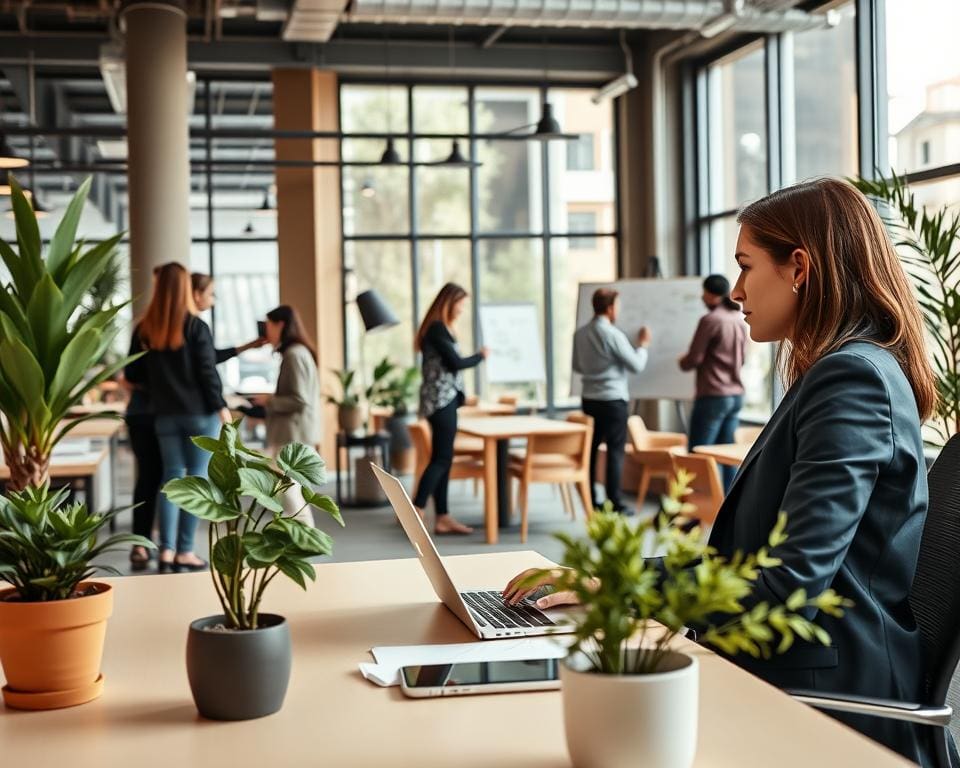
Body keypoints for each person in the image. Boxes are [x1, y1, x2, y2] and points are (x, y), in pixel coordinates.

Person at [504, 178, 941, 766]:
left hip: (828, 699)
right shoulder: (840, 372)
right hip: (798, 670)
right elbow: (746, 565)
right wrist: (608, 576)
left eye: (745, 266)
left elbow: (787, 588)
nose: (736, 291)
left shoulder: (852, 380)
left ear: (800, 267)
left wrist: (623, 587)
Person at [125, 262, 232, 573]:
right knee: (196, 480)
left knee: (171, 480)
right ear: (186, 287)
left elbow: (133, 373)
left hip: (164, 416)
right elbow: (207, 374)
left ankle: (167, 551)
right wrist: (221, 406)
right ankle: (186, 551)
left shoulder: (145, 329)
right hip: (200, 415)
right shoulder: (196, 327)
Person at [413, 283, 488, 535]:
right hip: (440, 401)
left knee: (442, 459)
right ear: (449, 302)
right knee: (442, 459)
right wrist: (480, 356)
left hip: (445, 400)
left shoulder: (441, 328)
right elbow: (456, 362)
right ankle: (416, 511)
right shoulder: (436, 329)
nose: (462, 309)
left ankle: (442, 517)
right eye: (461, 303)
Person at [572, 288, 651, 515]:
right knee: (615, 451)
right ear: (609, 308)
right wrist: (643, 345)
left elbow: (577, 367)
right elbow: (636, 365)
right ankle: (614, 502)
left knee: (590, 450)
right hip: (612, 399)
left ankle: (591, 500)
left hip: (589, 399)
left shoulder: (580, 334)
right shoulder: (612, 334)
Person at [248, 306, 320, 526]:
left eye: (268, 325)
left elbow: (299, 399)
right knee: (289, 491)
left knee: (288, 492)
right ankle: (303, 539)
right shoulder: (297, 352)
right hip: (294, 432)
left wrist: (269, 401)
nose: (265, 331)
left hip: (292, 435)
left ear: (280, 325)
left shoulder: (294, 354)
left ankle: (305, 538)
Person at [678, 274, 748, 490]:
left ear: (710, 294)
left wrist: (682, 361)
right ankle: (728, 511)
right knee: (727, 457)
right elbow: (742, 359)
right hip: (735, 395)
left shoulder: (710, 320)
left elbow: (694, 359)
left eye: (704, 292)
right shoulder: (738, 319)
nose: (702, 296)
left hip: (713, 396)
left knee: (697, 454)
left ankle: (692, 514)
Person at [190, 272, 267, 362]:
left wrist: (249, 346)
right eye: (211, 294)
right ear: (197, 295)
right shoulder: (197, 327)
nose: (214, 299)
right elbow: (211, 360)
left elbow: (212, 356)